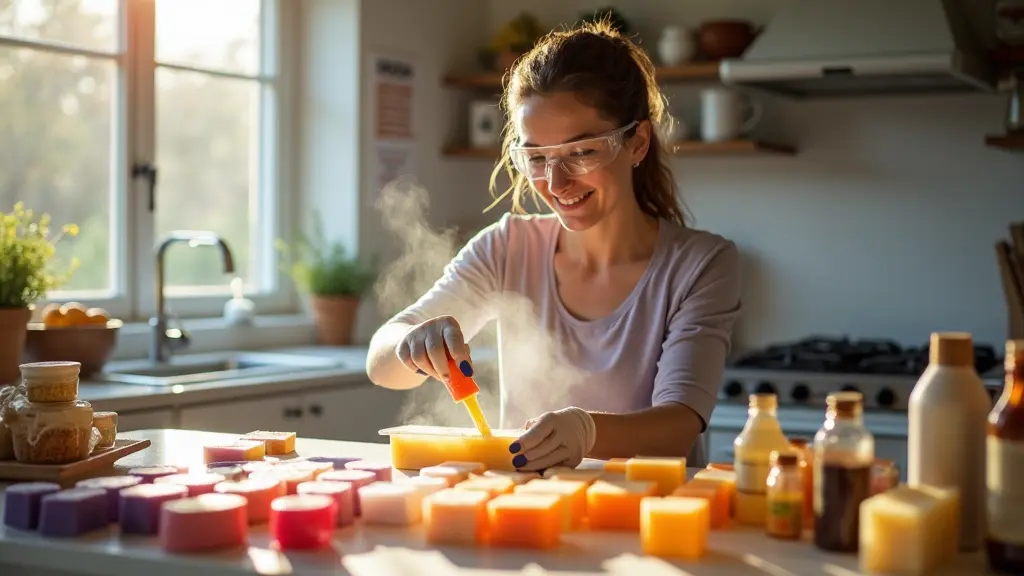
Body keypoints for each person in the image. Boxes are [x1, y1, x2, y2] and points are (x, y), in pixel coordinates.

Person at [366, 20, 741, 472]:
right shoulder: (506, 248)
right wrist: (413, 341)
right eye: (536, 158)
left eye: (581, 152)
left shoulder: (701, 265)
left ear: (637, 142)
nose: (555, 183)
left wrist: (586, 432)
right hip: (526, 516)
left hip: (647, 517)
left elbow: (679, 426)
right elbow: (380, 362)